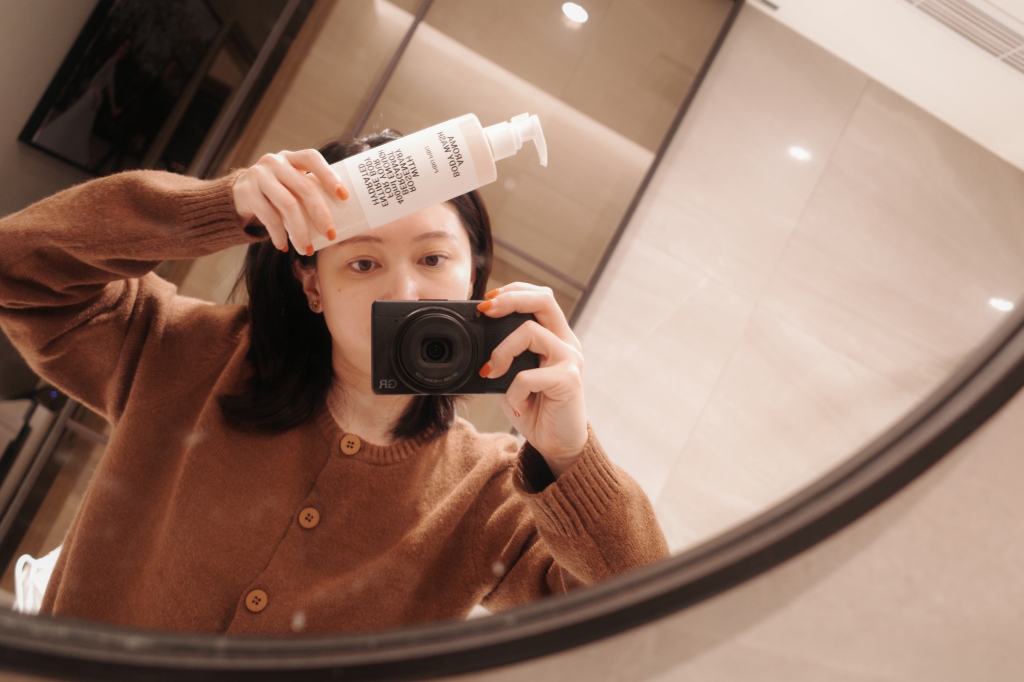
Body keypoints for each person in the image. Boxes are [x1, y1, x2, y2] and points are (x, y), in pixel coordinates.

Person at [0, 131, 669, 635]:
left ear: (474, 273)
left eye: (433, 257)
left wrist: (570, 456)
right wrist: (221, 207)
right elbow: (17, 270)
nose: (404, 290)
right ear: (312, 283)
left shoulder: (485, 494)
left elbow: (645, 625)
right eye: (363, 262)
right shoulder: (184, 352)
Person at [33, 37, 132, 168]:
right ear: (118, 46)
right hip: (92, 97)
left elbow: (110, 87)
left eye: (127, 48)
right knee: (74, 120)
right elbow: (95, 80)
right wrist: (96, 95)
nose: (124, 50)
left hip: (96, 98)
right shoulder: (111, 61)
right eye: (123, 46)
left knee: (81, 125)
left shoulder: (114, 64)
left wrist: (112, 106)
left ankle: (67, 147)